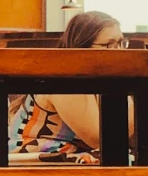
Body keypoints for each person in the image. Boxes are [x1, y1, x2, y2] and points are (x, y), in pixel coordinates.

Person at [10, 10, 127, 159]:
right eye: (109, 45)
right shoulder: (65, 80)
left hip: (63, 156)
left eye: (121, 43)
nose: (120, 51)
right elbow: (100, 138)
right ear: (82, 48)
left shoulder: (96, 79)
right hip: (36, 159)